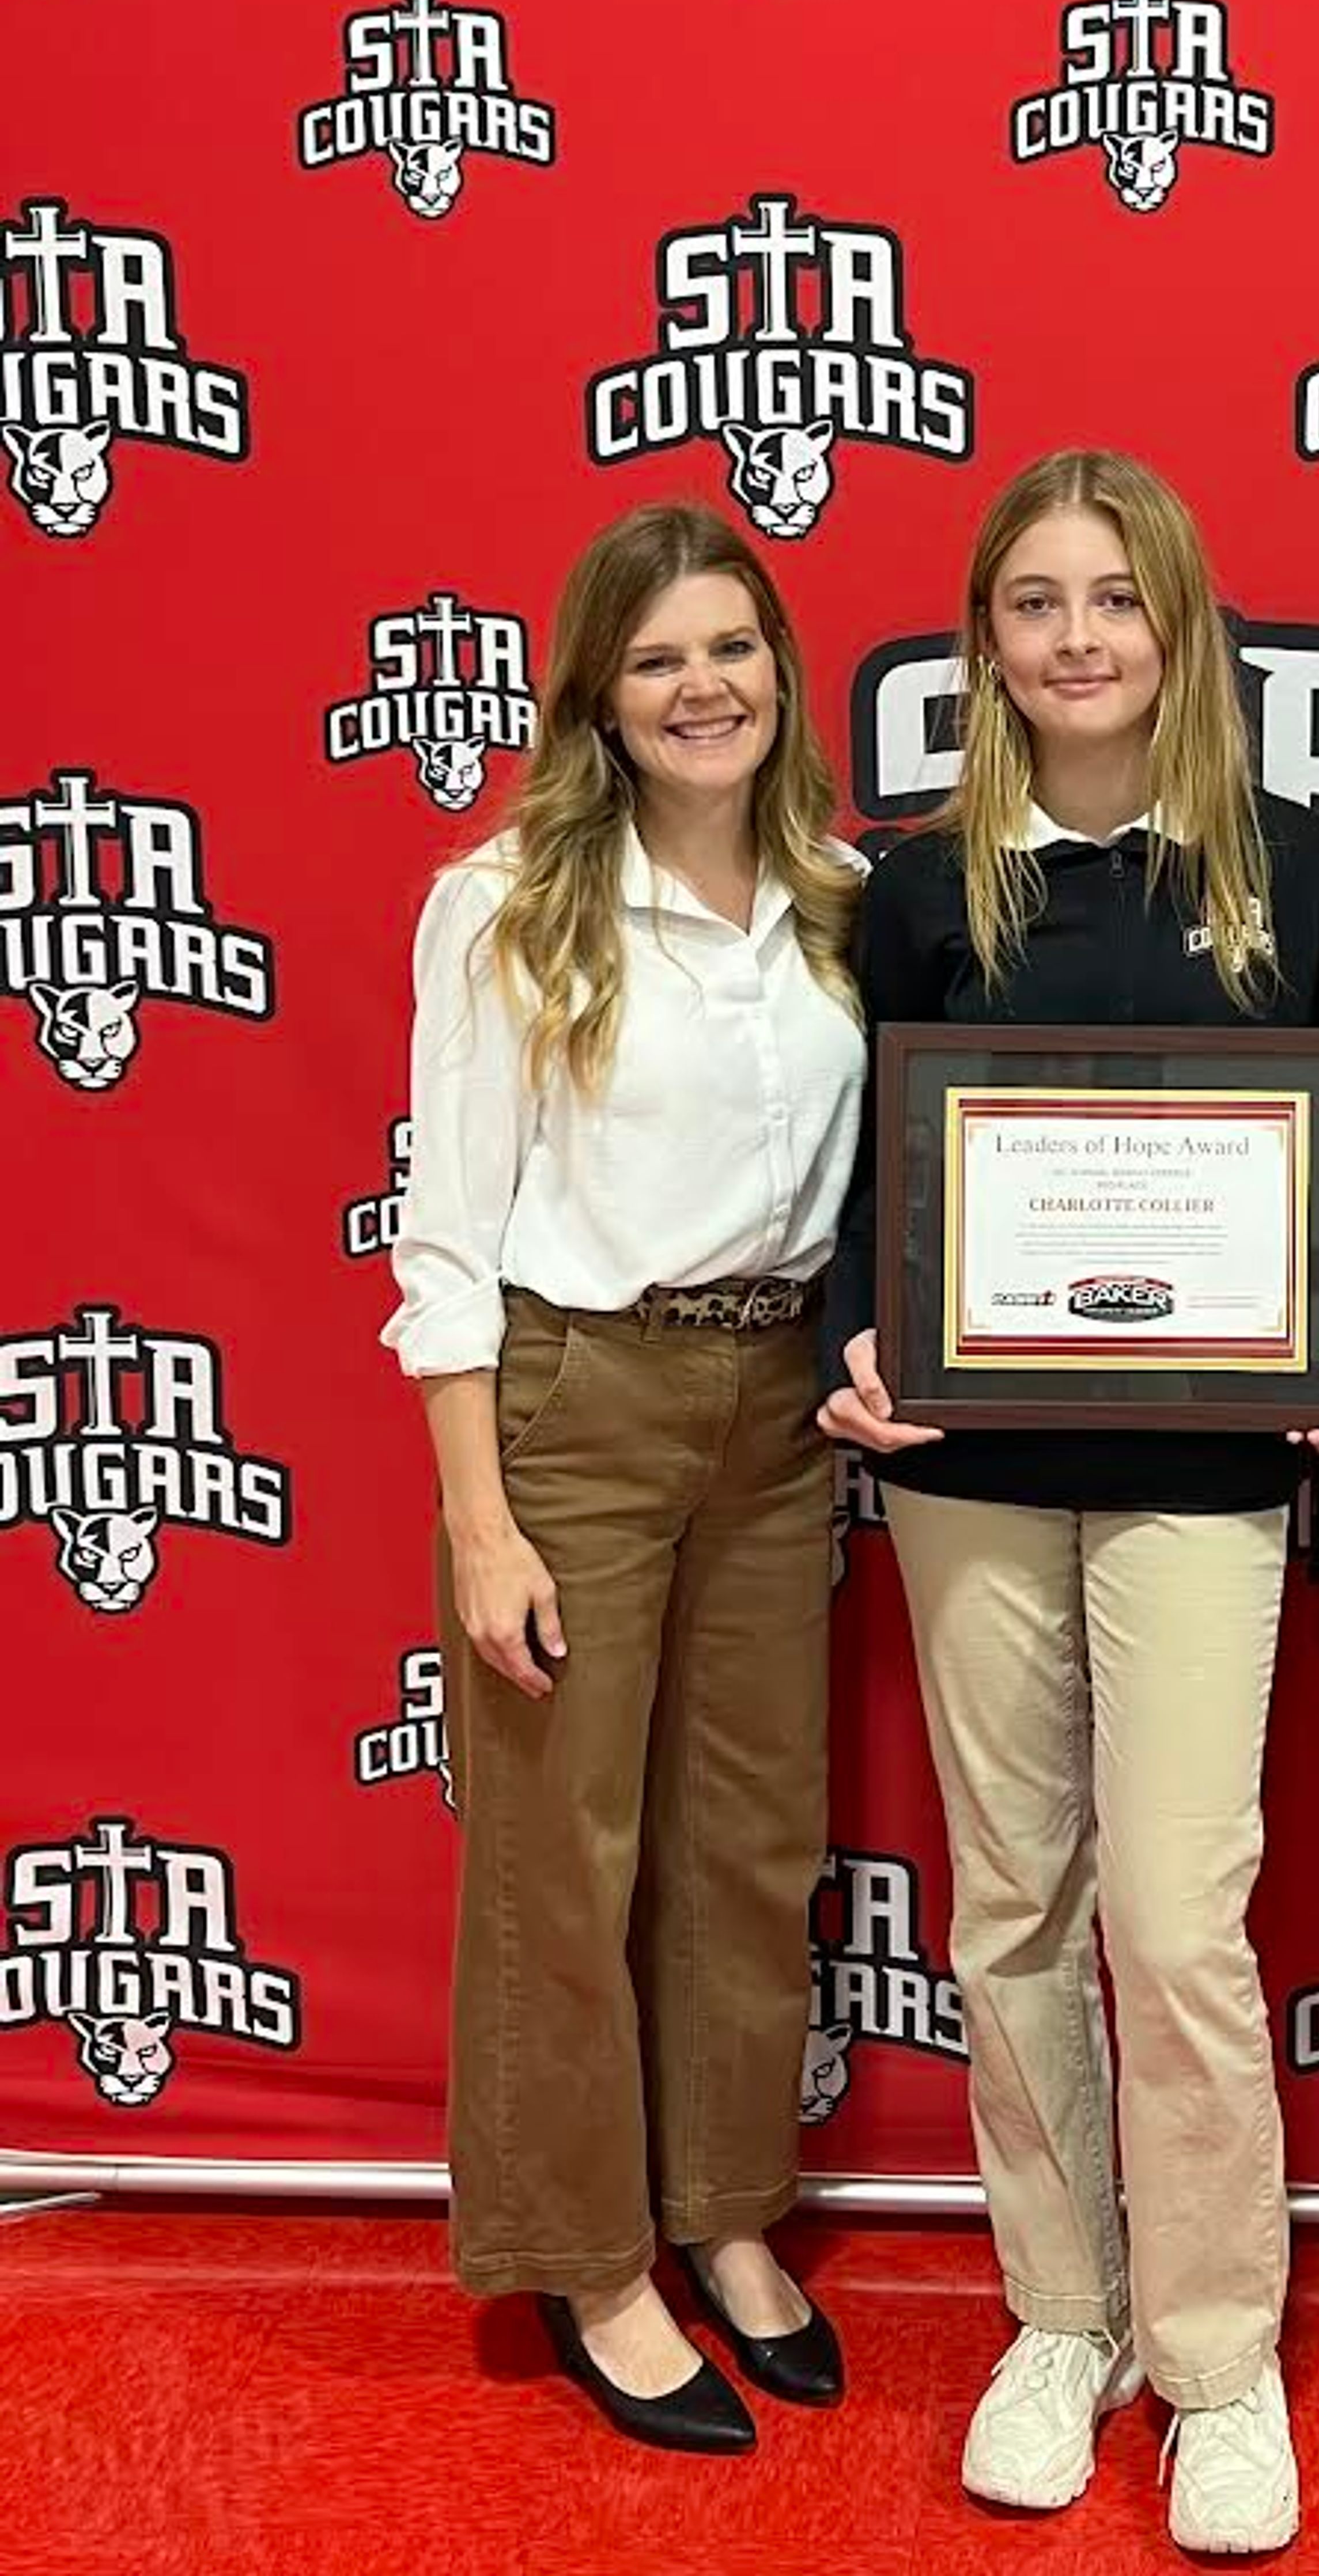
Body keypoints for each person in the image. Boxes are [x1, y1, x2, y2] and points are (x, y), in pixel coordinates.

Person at [819, 449, 1319, 2556]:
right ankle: (1066, 2319)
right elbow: (878, 1168)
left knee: (1174, 1915)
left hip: (1207, 1482)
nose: (1075, 639)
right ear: (986, 645)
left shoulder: (1296, 868)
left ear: (1180, 628)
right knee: (1014, 1910)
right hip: (965, 1470)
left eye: (1113, 600)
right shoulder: (923, 885)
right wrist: (856, 1350)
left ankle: (1219, 2359)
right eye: (1034, 603)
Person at [384, 502, 865, 2453]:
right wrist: (479, 1519)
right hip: (576, 1400)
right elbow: (444, 1233)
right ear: (597, 691)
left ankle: (730, 2216)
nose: (702, 688)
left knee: (754, 1841)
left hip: (777, 1410)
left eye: (732, 649)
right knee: (566, 1846)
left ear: (780, 671)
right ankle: (592, 2258)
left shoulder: (842, 893)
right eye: (659, 658)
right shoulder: (506, 902)